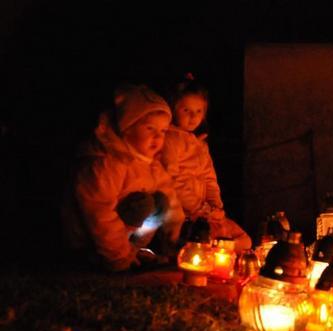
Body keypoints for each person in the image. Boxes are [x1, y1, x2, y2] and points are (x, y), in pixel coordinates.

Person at [62, 85, 185, 271]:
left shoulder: (150, 164)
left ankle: (133, 251)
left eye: (163, 131)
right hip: (89, 239)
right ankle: (110, 256)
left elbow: (169, 193)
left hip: (123, 231)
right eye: (150, 129)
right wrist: (118, 256)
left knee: (160, 202)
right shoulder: (105, 163)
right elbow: (99, 214)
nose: (157, 137)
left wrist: (174, 230)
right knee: (143, 204)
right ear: (127, 129)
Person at [160, 74, 251, 250]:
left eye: (198, 111)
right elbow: (171, 180)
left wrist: (215, 207)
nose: (193, 117)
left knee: (245, 240)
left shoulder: (201, 145)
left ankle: (218, 247)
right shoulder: (169, 140)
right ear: (173, 109)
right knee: (193, 243)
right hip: (184, 214)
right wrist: (199, 208)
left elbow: (210, 180)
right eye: (186, 110)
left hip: (206, 214)